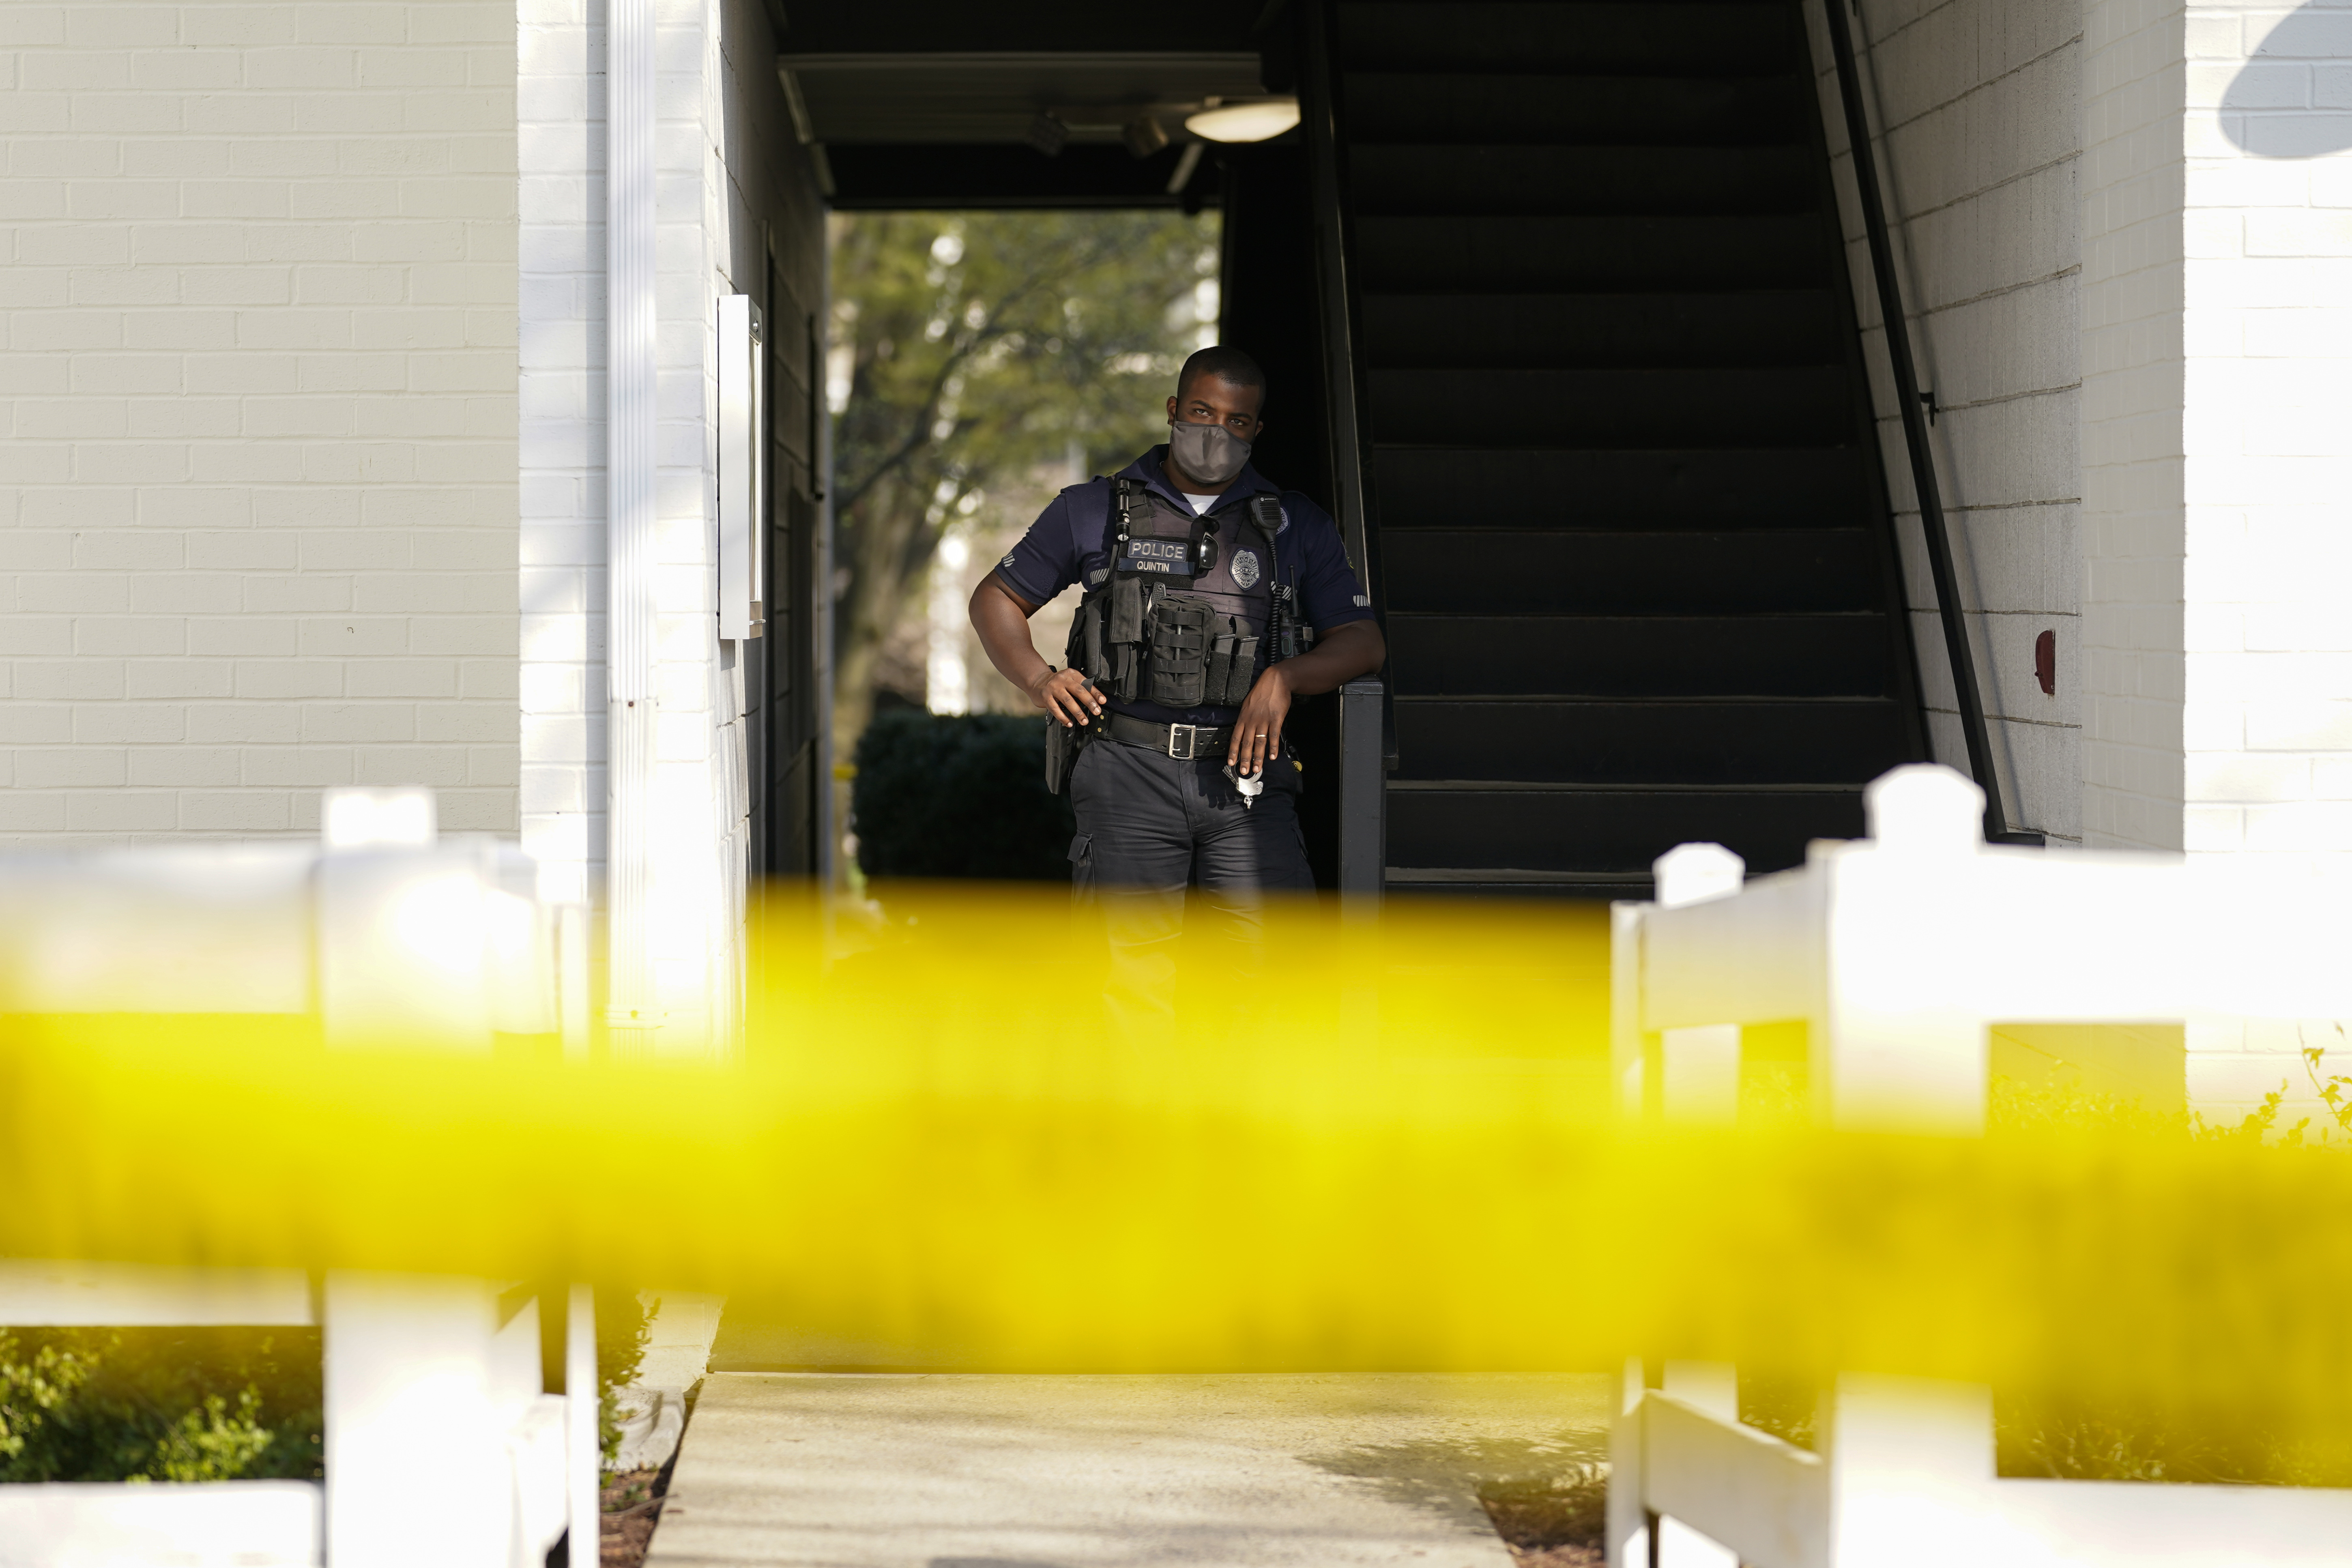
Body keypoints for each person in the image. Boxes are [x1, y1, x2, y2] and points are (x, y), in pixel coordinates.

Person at [969, 346, 1386, 1024]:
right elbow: (996, 597)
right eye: (1202, 412)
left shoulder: (1293, 523)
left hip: (1246, 777)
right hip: (1127, 770)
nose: (1218, 431)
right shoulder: (1094, 509)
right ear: (1173, 410)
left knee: (1272, 977)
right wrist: (1039, 677)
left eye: (1237, 421)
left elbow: (1363, 641)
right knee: (1129, 991)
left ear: (1256, 430)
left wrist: (1285, 676)